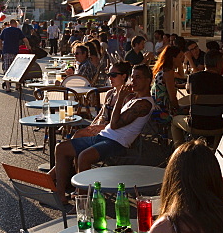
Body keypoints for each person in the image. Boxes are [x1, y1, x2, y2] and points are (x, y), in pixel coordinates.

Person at [50, 65, 155, 203]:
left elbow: (115, 124)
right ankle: (60, 193)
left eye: (138, 77)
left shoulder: (144, 103)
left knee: (84, 157)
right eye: (133, 76)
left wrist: (120, 98)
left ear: (148, 81)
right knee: (61, 148)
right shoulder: (135, 99)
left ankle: (83, 200)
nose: (133, 80)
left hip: (118, 142)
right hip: (105, 136)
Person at [170, 50, 223, 146]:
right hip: (219, 125)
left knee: (174, 121)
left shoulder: (193, 78)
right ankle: (215, 151)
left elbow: (189, 91)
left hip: (196, 125)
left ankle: (180, 151)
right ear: (219, 63)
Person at [72, 62, 132, 138]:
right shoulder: (110, 93)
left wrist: (101, 127)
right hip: (100, 127)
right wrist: (91, 125)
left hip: (111, 132)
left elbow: (122, 123)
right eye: (109, 75)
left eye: (113, 75)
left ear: (123, 76)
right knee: (78, 134)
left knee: (78, 136)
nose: (110, 78)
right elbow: (100, 114)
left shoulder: (128, 97)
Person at [151, 45, 185, 119]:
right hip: (164, 110)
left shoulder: (163, 70)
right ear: (173, 58)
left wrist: (180, 65)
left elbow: (181, 76)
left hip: (157, 108)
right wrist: (179, 109)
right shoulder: (168, 73)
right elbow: (172, 98)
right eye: (180, 57)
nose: (182, 59)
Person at [0, 19, 28, 90]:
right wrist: (28, 46)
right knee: (16, 69)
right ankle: (17, 85)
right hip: (15, 52)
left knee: (7, 69)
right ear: (15, 24)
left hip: (6, 51)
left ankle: (8, 87)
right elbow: (25, 40)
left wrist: (1, 49)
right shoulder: (17, 30)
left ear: (10, 23)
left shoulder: (5, 30)